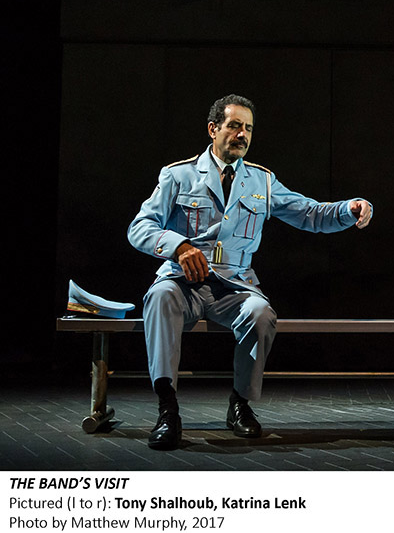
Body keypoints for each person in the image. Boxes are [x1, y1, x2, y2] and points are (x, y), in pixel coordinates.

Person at [128, 94, 373, 450]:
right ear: (213, 129)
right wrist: (179, 246)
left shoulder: (262, 182)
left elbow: (310, 213)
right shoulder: (178, 175)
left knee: (260, 313)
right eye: (233, 126)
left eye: (248, 128)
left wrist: (349, 209)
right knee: (160, 296)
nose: (241, 134)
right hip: (184, 283)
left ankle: (240, 404)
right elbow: (140, 227)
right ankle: (168, 409)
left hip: (234, 285)